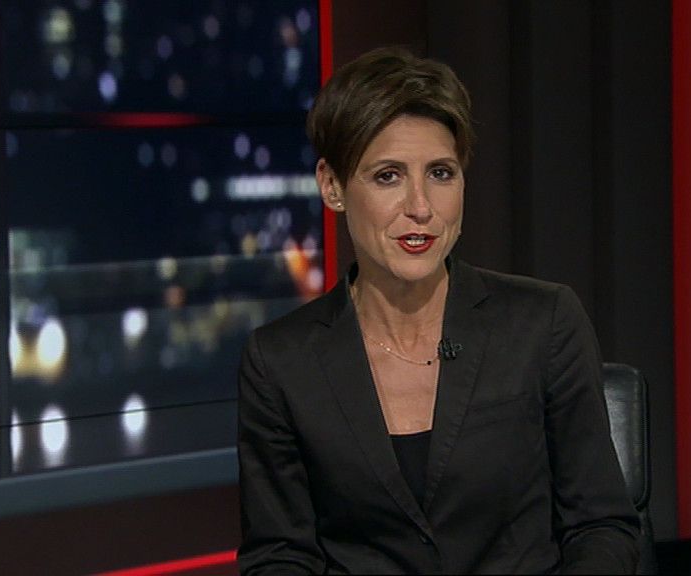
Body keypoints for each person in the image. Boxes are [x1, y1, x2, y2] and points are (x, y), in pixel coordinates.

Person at [237, 46, 640, 574]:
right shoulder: (281, 361)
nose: (421, 207)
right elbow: (280, 557)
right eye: (388, 176)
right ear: (332, 186)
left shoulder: (542, 323)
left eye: (441, 173)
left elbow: (601, 527)